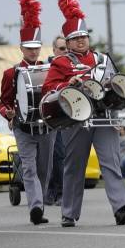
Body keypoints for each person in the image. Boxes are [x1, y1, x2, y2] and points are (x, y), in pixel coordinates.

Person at [42, 0, 125, 227]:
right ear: (68, 42)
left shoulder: (103, 59)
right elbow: (49, 89)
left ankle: (121, 207)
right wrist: (66, 85)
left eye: (84, 36)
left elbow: (118, 84)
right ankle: (69, 213)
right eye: (76, 38)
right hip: (75, 119)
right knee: (74, 165)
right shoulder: (61, 63)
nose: (81, 40)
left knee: (111, 161)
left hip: (103, 116)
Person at [0, 0, 55, 225]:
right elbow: (4, 103)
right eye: (29, 48)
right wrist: (8, 113)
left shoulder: (49, 70)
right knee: (29, 169)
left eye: (36, 48)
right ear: (21, 48)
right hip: (23, 127)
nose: (33, 52)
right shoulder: (11, 74)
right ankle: (36, 209)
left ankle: (39, 201)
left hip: (47, 126)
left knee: (44, 171)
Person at [43, 35, 69, 206]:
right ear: (53, 50)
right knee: (49, 156)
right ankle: (50, 191)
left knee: (60, 155)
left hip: (66, 116)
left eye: (66, 49)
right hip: (50, 116)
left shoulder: (71, 66)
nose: (64, 52)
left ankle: (60, 192)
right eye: (61, 48)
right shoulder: (46, 68)